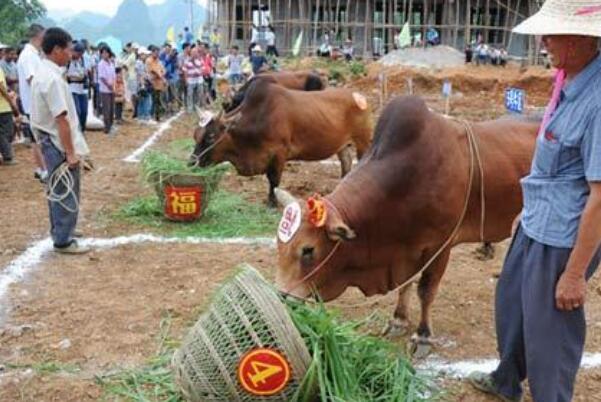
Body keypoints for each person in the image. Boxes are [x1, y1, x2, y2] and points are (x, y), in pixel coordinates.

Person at [467, 1, 601, 401]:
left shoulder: (597, 104)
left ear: (578, 41)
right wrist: (528, 209)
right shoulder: (569, 81)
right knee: (512, 302)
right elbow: (555, 166)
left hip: (563, 236)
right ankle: (507, 379)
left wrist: (574, 273)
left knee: (550, 334)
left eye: (550, 34)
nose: (542, 42)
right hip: (538, 219)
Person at [31, 27, 90, 254]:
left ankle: (62, 229)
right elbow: (61, 119)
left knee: (58, 187)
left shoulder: (45, 74)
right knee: (64, 188)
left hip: (48, 140)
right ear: (56, 50)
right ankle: (63, 239)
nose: (70, 54)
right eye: (67, 49)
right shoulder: (52, 79)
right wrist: (71, 152)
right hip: (55, 141)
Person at [17, 23, 48, 182]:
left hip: (33, 103)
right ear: (38, 36)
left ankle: (40, 168)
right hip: (34, 104)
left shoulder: (34, 54)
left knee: (37, 138)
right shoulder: (29, 55)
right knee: (38, 139)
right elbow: (32, 79)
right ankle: (43, 170)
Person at [0, 57, 20, 165]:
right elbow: (1, 87)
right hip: (2, 106)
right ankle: (7, 156)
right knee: (7, 132)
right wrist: (11, 102)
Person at [66, 42, 89, 134]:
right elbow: (64, 75)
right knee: (77, 111)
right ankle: (77, 131)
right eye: (78, 54)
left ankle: (82, 129)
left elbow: (84, 73)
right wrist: (75, 78)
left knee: (84, 111)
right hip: (72, 89)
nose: (79, 56)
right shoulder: (68, 61)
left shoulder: (81, 61)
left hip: (81, 89)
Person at [97, 46, 116, 134]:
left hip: (112, 88)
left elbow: (113, 76)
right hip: (105, 89)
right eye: (103, 53)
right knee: (106, 109)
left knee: (112, 108)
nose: (105, 54)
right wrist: (109, 86)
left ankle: (111, 125)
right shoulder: (101, 64)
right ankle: (107, 127)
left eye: (106, 52)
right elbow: (102, 77)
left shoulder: (111, 63)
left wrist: (113, 86)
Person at [146, 45, 166, 122]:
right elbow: (154, 71)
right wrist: (161, 76)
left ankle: (157, 116)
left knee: (157, 100)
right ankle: (151, 116)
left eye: (158, 53)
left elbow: (163, 70)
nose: (157, 54)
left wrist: (161, 75)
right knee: (153, 101)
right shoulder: (149, 61)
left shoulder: (158, 61)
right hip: (152, 83)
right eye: (156, 52)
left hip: (159, 84)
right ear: (152, 52)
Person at [183, 47, 204, 111]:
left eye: (195, 52)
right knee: (190, 95)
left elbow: (203, 69)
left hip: (199, 80)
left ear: (197, 53)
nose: (194, 54)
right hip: (190, 81)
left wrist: (198, 72)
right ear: (191, 53)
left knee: (198, 94)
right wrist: (186, 80)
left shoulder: (200, 60)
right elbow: (185, 71)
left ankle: (196, 107)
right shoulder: (187, 61)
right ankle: (190, 109)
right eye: (193, 52)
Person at [135, 47, 152, 121]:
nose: (146, 56)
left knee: (142, 101)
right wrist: (142, 85)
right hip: (141, 84)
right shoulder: (139, 63)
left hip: (142, 83)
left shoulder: (141, 63)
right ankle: (145, 116)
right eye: (145, 54)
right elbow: (140, 75)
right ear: (141, 54)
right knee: (146, 100)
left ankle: (141, 116)